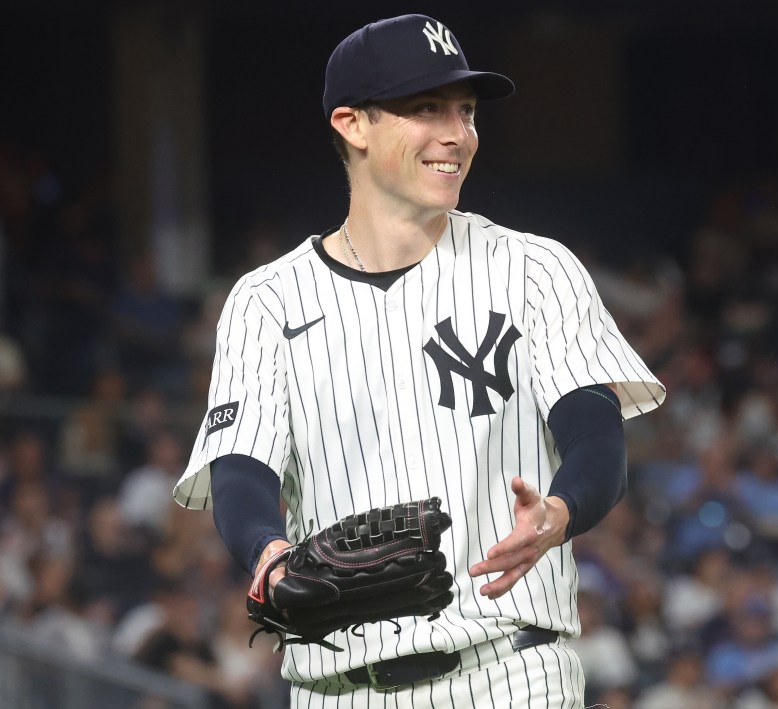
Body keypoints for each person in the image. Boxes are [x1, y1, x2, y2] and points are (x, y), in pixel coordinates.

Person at [172, 13, 665, 708]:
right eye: (425, 108)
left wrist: (561, 510)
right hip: (338, 688)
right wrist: (268, 553)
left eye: (465, 111)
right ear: (352, 123)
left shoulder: (533, 268)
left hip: (509, 672)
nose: (457, 133)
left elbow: (595, 434)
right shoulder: (265, 301)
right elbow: (241, 468)